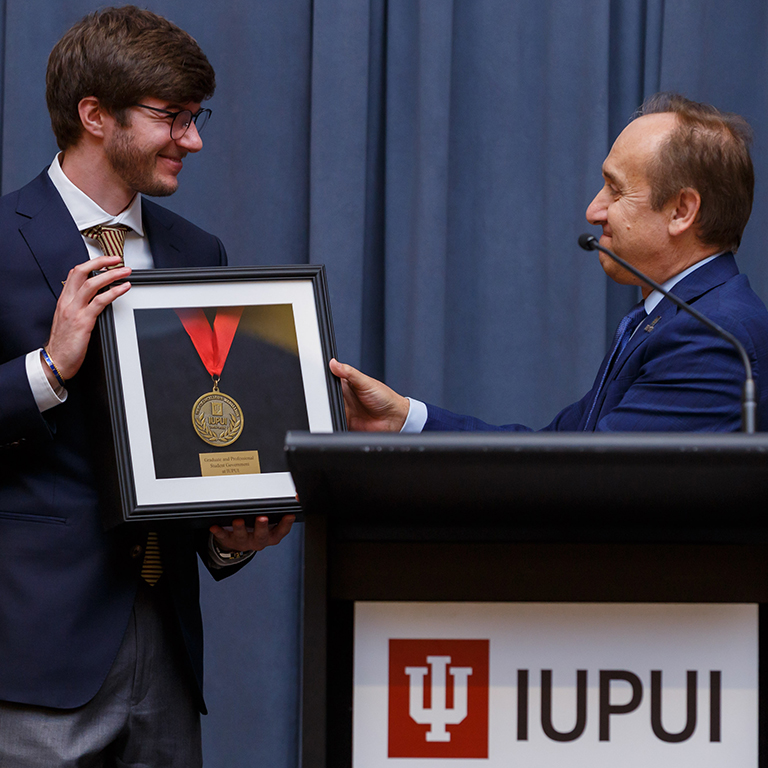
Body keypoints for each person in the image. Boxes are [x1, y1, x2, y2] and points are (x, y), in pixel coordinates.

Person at [0, 7, 292, 767]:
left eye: (197, 118)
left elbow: (201, 435)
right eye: (173, 118)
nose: (193, 140)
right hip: (35, 657)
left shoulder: (200, 251)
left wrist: (233, 535)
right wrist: (48, 368)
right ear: (94, 115)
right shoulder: (0, 239)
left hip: (167, 652)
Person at [331, 93, 768, 433]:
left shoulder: (711, 336)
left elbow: (589, 484)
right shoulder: (669, 317)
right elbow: (555, 449)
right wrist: (404, 418)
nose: (594, 211)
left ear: (681, 212)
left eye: (616, 191)